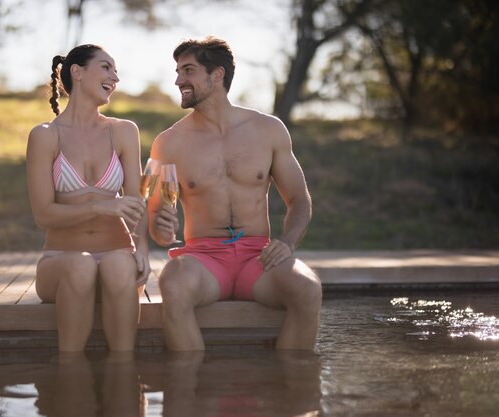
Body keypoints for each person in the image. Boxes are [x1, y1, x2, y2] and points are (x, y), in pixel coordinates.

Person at [147, 36, 322, 351]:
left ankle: (294, 389)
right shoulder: (169, 142)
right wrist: (160, 231)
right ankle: (188, 389)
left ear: (217, 75)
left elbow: (299, 200)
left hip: (259, 258)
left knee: (308, 288)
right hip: (203, 260)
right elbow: (157, 216)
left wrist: (287, 242)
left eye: (188, 71)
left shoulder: (268, 130)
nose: (178, 80)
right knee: (173, 283)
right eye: (177, 71)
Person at [26, 44, 149, 352]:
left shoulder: (123, 131)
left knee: (120, 266)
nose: (115, 77)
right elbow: (44, 215)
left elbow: (136, 202)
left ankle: (125, 377)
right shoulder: (45, 135)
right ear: (77, 72)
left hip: (117, 254)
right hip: (61, 262)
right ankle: (72, 376)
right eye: (107, 67)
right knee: (81, 266)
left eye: (116, 71)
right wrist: (101, 206)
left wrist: (143, 248)